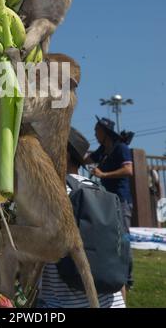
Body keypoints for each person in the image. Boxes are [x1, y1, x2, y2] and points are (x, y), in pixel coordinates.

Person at [36, 128, 125, 308]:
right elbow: (120, 256)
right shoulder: (102, 192)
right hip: (113, 303)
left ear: (64, 154)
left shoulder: (51, 196)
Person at [86, 117, 134, 291]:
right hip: (108, 202)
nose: (94, 134)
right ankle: (116, 273)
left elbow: (129, 170)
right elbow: (86, 159)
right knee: (111, 239)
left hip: (121, 201)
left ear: (105, 133)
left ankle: (128, 278)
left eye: (96, 130)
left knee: (124, 238)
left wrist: (103, 175)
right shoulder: (103, 150)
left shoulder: (121, 148)